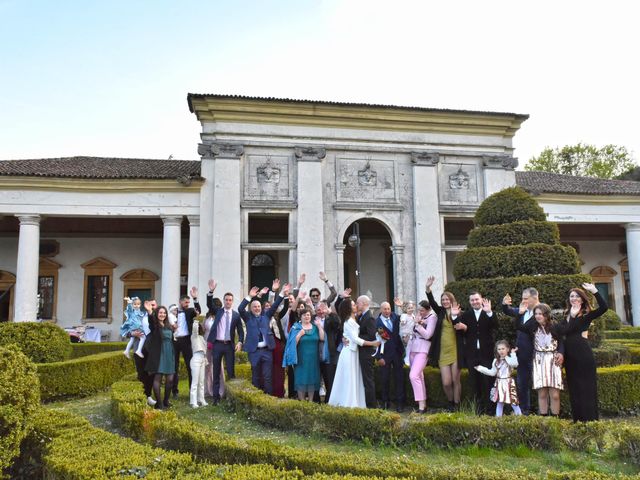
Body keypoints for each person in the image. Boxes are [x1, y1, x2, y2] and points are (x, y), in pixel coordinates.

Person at [553, 283, 607, 422]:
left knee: (586, 387)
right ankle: (577, 419)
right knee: (574, 386)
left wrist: (595, 291)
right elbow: (560, 331)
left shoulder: (586, 315)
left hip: (583, 354)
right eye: (571, 296)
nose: (574, 298)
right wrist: (570, 316)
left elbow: (604, 308)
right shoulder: (566, 315)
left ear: (582, 299)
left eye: (577, 296)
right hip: (570, 356)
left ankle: (590, 420)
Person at [240, 283, 291, 394]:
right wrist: (249, 296)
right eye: (255, 307)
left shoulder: (266, 316)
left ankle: (268, 398)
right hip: (254, 352)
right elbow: (240, 308)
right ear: (251, 308)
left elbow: (275, 305)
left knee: (268, 377)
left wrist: (282, 293)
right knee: (256, 377)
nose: (257, 308)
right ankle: (256, 399)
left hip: (267, 351)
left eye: (258, 306)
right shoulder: (248, 317)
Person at [452, 291, 497, 415]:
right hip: (472, 355)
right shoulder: (466, 315)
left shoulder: (488, 313)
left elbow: (495, 325)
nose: (474, 302)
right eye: (472, 300)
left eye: (476, 299)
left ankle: (490, 410)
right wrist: (455, 317)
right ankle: (478, 410)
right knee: (474, 383)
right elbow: (459, 330)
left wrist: (489, 312)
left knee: (488, 382)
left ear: (481, 299)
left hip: (486, 354)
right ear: (470, 302)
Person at [329, 298, 380, 407]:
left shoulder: (356, 318)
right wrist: (372, 343)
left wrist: (346, 337)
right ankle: (348, 403)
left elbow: (354, 336)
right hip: (349, 353)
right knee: (349, 379)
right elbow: (356, 339)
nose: (355, 305)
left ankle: (358, 402)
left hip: (355, 352)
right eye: (353, 305)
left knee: (355, 379)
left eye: (356, 304)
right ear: (349, 308)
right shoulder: (349, 321)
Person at [517, 303, 564, 416]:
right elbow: (519, 326)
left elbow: (562, 341)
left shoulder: (555, 326)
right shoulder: (532, 326)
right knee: (542, 394)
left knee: (555, 395)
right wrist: (520, 314)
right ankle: (543, 419)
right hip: (539, 360)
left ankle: (555, 419)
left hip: (553, 360)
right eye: (536, 314)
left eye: (541, 314)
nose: (538, 316)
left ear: (547, 315)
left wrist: (561, 353)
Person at [425, 277, 464, 411]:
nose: (445, 301)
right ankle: (450, 401)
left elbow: (459, 326)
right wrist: (428, 289)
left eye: (447, 299)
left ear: (452, 300)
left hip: (455, 351)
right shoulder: (440, 312)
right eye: (443, 300)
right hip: (443, 351)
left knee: (455, 380)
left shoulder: (459, 312)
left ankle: (457, 404)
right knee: (446, 382)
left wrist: (454, 316)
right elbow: (432, 302)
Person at [206, 279, 245, 405]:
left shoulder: (236, 315)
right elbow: (209, 304)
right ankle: (216, 398)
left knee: (231, 372)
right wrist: (211, 291)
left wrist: (240, 342)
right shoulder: (218, 311)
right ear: (223, 301)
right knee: (216, 371)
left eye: (230, 300)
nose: (228, 302)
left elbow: (240, 331)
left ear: (232, 302)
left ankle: (231, 397)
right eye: (226, 300)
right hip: (217, 345)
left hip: (229, 346)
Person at [502, 287, 539, 415]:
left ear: (535, 298)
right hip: (521, 353)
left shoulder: (541, 312)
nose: (523, 301)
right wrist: (504, 305)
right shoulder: (522, 310)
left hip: (537, 354)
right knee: (522, 383)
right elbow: (508, 311)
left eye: (526, 298)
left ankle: (544, 412)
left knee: (540, 384)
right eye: (522, 298)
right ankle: (525, 410)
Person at [475, 340, 522, 417]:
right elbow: (492, 372)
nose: (501, 351)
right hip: (499, 383)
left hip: (508, 383)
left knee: (514, 402)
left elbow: (514, 364)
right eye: (499, 349)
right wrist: (480, 368)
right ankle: (498, 421)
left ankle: (521, 419)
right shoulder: (496, 361)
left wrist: (513, 354)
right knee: (499, 403)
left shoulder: (509, 359)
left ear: (507, 349)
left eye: (503, 349)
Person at [287, 307, 325, 400]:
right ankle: (302, 402)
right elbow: (292, 344)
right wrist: (299, 335)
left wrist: (320, 327)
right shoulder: (296, 327)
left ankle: (311, 403)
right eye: (304, 315)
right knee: (301, 379)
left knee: (312, 379)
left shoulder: (315, 327)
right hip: (301, 359)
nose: (306, 317)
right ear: (300, 317)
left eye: (308, 315)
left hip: (313, 359)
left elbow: (322, 338)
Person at [406, 300, 437, 413]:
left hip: (423, 349)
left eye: (422, 310)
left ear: (428, 309)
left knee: (413, 376)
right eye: (419, 310)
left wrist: (418, 324)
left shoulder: (432, 317)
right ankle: (423, 404)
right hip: (413, 348)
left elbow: (428, 334)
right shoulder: (419, 316)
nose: (420, 312)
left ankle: (421, 405)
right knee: (419, 376)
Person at [144, 305, 177, 409]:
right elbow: (150, 322)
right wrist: (150, 311)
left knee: (170, 379)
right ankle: (159, 403)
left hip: (169, 353)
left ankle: (166, 400)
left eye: (164, 313)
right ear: (157, 314)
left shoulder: (168, 325)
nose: (162, 314)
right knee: (157, 378)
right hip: (159, 354)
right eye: (160, 313)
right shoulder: (154, 325)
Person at [375, 301, 406, 412]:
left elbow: (407, 315)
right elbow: (378, 342)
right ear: (381, 310)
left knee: (399, 379)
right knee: (384, 379)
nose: (387, 311)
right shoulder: (377, 323)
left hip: (397, 354)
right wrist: (379, 357)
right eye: (385, 309)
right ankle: (385, 402)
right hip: (385, 356)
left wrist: (402, 306)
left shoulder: (395, 317)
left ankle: (400, 403)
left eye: (388, 309)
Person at [172, 287, 201, 397]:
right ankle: (174, 391)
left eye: (189, 302)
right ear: (180, 302)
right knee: (174, 366)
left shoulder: (189, 311)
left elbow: (198, 310)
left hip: (186, 341)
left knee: (190, 365)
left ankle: (191, 390)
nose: (188, 304)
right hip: (174, 341)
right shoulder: (173, 311)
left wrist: (195, 298)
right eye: (186, 302)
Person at [313, 300, 341, 402]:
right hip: (315, 357)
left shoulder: (331, 320)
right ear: (315, 311)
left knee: (329, 381)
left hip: (328, 356)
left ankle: (329, 402)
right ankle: (315, 403)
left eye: (323, 309)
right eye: (318, 310)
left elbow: (338, 322)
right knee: (315, 382)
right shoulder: (311, 320)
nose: (321, 312)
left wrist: (330, 312)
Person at [132, 299, 156, 406]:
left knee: (151, 373)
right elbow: (126, 329)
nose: (152, 306)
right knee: (141, 374)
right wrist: (133, 333)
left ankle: (148, 395)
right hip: (139, 349)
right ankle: (142, 396)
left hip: (152, 349)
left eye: (154, 305)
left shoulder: (158, 316)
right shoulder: (138, 316)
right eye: (150, 305)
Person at [356, 295, 378, 408]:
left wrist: (356, 336)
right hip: (362, 353)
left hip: (367, 354)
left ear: (364, 303)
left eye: (358, 303)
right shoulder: (361, 316)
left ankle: (372, 406)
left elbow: (371, 336)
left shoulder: (369, 317)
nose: (356, 305)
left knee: (368, 380)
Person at [189, 319, 208, 408]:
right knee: (195, 382)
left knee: (201, 381)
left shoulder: (202, 338)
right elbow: (195, 330)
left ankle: (201, 399)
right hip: (196, 358)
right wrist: (196, 321)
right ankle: (193, 401)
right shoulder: (194, 336)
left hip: (202, 359)